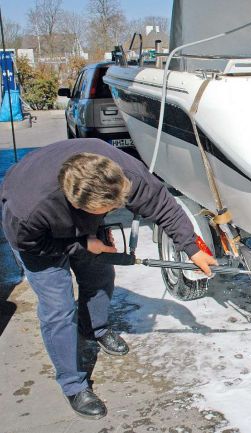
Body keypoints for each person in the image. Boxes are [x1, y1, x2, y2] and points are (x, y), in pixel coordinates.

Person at [0, 138, 218, 419]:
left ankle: (94, 328)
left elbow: (163, 206)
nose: (116, 212)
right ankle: (73, 385)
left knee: (101, 274)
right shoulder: (28, 211)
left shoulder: (125, 173)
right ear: (81, 205)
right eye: (108, 210)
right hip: (39, 238)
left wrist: (192, 248)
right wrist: (80, 245)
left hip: (76, 212)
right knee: (58, 309)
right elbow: (30, 244)